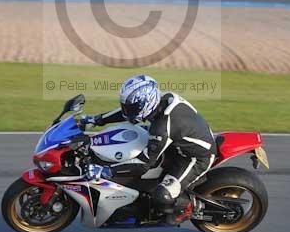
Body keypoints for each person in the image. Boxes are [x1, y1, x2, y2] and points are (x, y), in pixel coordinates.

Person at [84, 74, 216, 224]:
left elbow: (143, 165)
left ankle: (189, 208)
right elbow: (126, 113)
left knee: (162, 195)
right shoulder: (162, 100)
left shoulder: (162, 127)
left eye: (132, 107)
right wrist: (97, 119)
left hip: (195, 158)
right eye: (127, 106)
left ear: (147, 103)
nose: (128, 111)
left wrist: (107, 171)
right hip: (178, 144)